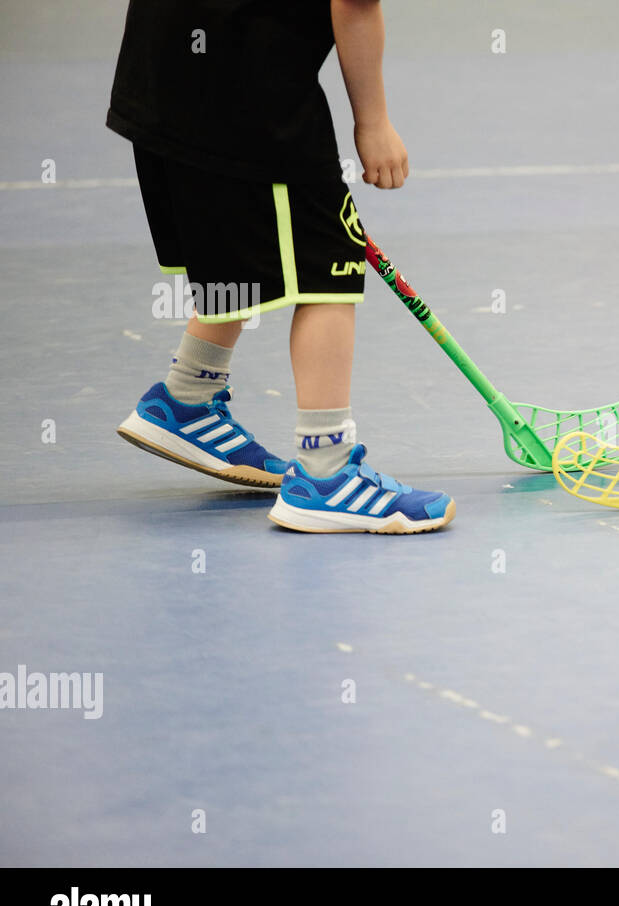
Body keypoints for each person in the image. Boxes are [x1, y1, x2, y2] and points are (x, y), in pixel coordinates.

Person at [107, 0, 453, 533]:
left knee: (237, 251)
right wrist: (374, 122)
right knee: (327, 269)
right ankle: (324, 472)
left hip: (161, 69)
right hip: (243, 91)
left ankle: (187, 398)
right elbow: (355, 4)